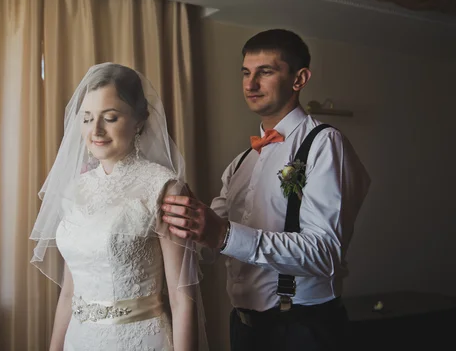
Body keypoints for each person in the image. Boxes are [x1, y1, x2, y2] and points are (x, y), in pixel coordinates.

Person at [161, 29, 370, 351]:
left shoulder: (325, 143)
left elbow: (325, 253)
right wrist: (186, 222)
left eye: (265, 72)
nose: (250, 84)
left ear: (299, 79)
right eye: (246, 73)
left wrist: (223, 235)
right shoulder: (241, 162)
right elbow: (208, 249)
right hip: (245, 329)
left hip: (303, 329)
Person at [30, 63, 208, 351]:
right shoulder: (74, 190)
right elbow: (68, 294)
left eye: (110, 117)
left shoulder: (164, 188)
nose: (96, 130)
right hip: (80, 339)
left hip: (139, 340)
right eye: (87, 118)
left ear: (139, 121)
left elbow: (181, 297)